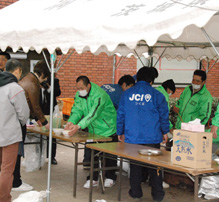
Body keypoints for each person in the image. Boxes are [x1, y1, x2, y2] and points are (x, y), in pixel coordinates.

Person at [117, 66, 169, 202]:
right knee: (155, 169)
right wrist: (165, 131)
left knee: (135, 167)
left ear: (137, 78)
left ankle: (136, 194)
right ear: (151, 81)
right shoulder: (157, 95)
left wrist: (120, 131)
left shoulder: (127, 94)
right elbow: (164, 115)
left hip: (132, 137)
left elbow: (121, 114)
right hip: (152, 137)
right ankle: (157, 196)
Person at [0, 59, 30, 202]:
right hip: (9, 135)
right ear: (18, 71)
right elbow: (24, 114)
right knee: (7, 170)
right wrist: (18, 123)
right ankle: (3, 199)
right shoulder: (15, 88)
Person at [65, 76, 117, 189]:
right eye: (77, 88)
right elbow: (77, 109)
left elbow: (94, 114)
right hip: (93, 129)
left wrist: (79, 126)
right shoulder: (79, 94)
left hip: (108, 128)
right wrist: (71, 121)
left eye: (81, 88)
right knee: (93, 154)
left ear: (88, 85)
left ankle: (111, 177)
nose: (79, 90)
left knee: (109, 155)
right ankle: (93, 178)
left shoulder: (100, 95)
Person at [12, 60, 50, 191]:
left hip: (14, 120)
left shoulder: (26, 78)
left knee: (13, 152)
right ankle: (15, 182)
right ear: (43, 74)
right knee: (16, 152)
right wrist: (44, 122)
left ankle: (14, 179)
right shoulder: (33, 83)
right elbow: (35, 106)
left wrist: (36, 118)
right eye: (45, 77)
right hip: (18, 121)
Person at [40, 76, 61, 165]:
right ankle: (39, 156)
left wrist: (49, 88)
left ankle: (52, 156)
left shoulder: (54, 80)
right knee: (39, 133)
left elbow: (58, 92)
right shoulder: (37, 80)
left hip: (51, 109)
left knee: (52, 134)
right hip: (40, 109)